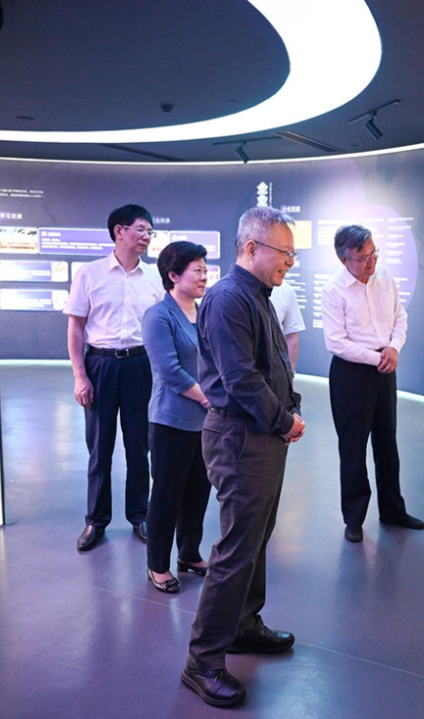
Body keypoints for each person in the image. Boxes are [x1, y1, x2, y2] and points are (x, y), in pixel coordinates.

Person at [180, 206, 306, 708]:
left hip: (261, 434)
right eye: (284, 252)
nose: (290, 262)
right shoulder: (229, 299)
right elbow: (241, 380)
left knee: (255, 539)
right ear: (251, 247)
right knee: (235, 551)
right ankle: (202, 661)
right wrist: (284, 421)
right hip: (240, 438)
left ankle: (243, 625)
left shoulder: (259, 296)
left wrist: (288, 411)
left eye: (293, 254)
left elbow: (275, 368)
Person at [64, 204, 164, 552]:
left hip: (140, 366)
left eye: (150, 231)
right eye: (141, 229)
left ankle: (140, 515)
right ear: (119, 231)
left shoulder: (154, 277)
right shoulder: (89, 274)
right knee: (99, 448)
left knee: (139, 446)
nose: (146, 236)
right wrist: (80, 376)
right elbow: (75, 327)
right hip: (100, 365)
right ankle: (96, 520)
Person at [321, 224, 424, 543]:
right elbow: (335, 342)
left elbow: (400, 317)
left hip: (384, 367)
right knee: (353, 447)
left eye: (373, 253)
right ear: (344, 260)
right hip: (351, 373)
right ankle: (354, 518)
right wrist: (376, 357)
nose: (371, 261)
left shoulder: (385, 277)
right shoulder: (333, 291)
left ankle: (393, 510)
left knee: (387, 443)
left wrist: (394, 347)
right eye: (363, 257)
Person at [140, 241, 213, 594]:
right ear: (173, 275)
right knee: (167, 496)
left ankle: (189, 553)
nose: (204, 276)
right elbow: (170, 371)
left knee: (198, 492)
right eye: (197, 270)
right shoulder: (158, 316)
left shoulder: (205, 312)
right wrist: (208, 398)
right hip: (171, 421)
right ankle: (157, 565)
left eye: (205, 269)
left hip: (205, 422)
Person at [268, 280, 307, 370]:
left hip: (274, 367)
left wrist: (290, 372)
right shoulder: (238, 290)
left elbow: (291, 334)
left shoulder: (286, 290)